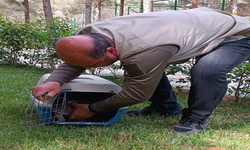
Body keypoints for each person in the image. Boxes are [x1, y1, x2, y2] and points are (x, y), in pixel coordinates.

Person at [31, 7, 250, 135]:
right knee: (144, 69)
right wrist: (55, 80)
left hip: (234, 33)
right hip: (192, 28)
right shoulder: (88, 33)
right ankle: (165, 107)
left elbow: (137, 93)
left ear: (111, 50)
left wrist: (92, 108)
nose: (88, 69)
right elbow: (80, 58)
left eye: (94, 65)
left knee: (207, 70)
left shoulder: (144, 51)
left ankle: (195, 119)